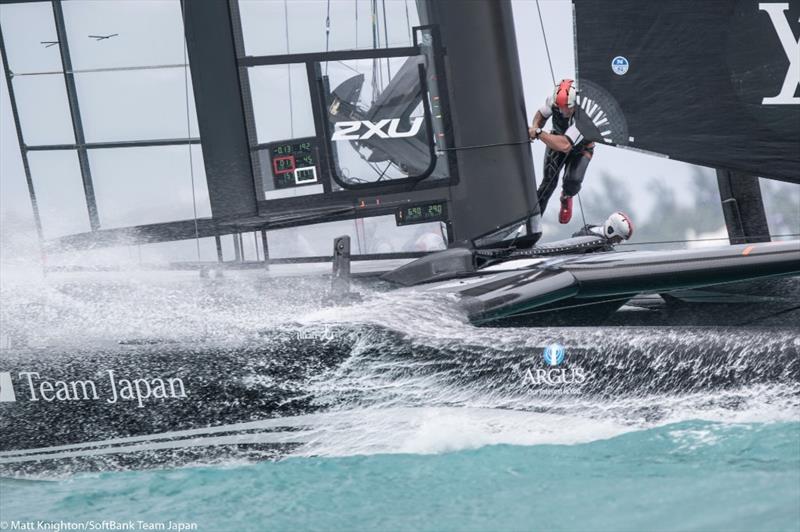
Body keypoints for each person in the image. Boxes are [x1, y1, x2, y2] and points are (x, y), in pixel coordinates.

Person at [529, 79, 595, 224]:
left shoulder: (584, 116)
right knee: (547, 184)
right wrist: (534, 126)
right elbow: (541, 114)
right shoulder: (552, 101)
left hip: (580, 149)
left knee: (572, 182)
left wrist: (539, 133)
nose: (563, 111)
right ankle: (532, 223)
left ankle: (566, 196)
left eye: (568, 107)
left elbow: (565, 145)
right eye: (560, 107)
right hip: (558, 139)